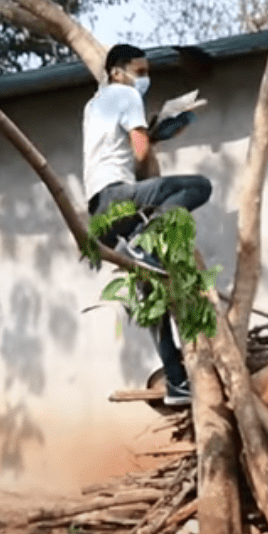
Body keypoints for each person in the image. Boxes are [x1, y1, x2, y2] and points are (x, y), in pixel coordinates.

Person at [83, 43, 211, 406]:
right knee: (198, 186)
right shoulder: (124, 93)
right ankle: (146, 245)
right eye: (140, 72)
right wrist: (151, 156)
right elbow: (140, 152)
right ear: (117, 73)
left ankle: (176, 383)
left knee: (150, 293)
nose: (144, 79)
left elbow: (124, 144)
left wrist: (160, 131)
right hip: (119, 199)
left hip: (101, 214)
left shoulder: (94, 105)